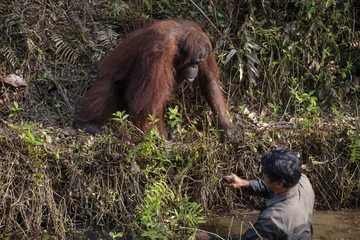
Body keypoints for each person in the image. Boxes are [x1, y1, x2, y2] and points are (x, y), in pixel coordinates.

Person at [196, 149, 315, 240]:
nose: (262, 175)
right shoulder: (301, 180)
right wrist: (245, 183)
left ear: (279, 183)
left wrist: (211, 239)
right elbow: (271, 187)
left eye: (265, 175)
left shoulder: (273, 218)